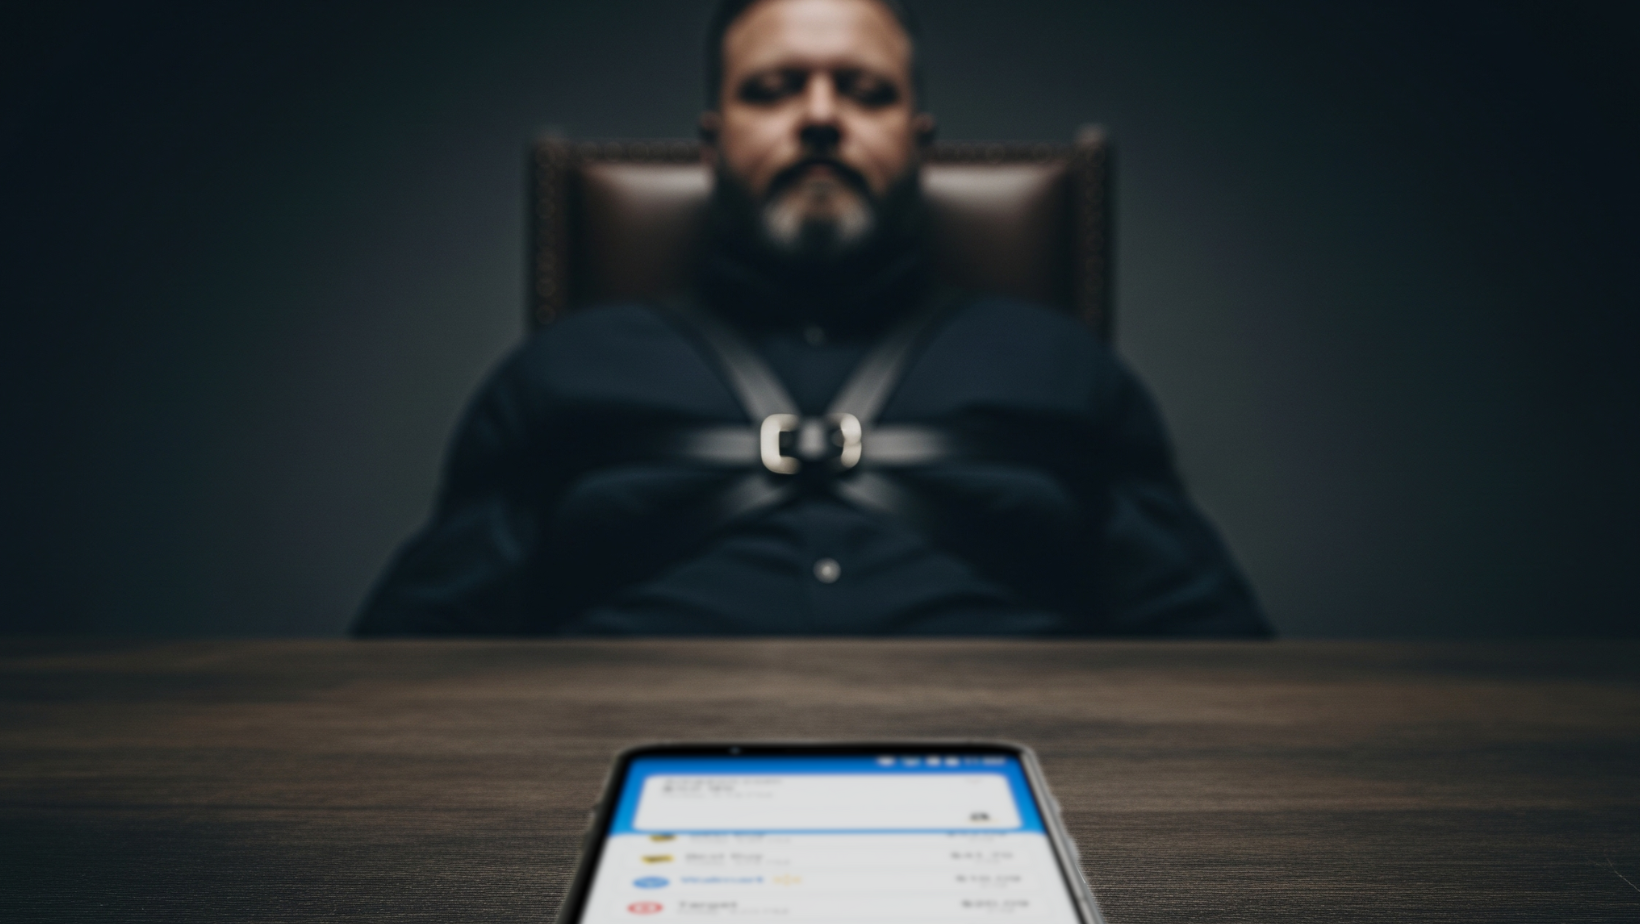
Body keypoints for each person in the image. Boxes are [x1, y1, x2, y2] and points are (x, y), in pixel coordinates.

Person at [353, 0, 1270, 637]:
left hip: (995, 802)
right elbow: (405, 667)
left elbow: (1219, 664)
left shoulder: (1061, 367)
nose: (821, 118)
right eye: (774, 89)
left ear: (918, 142)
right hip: (631, 807)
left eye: (865, 92)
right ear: (712, 144)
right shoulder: (563, 370)